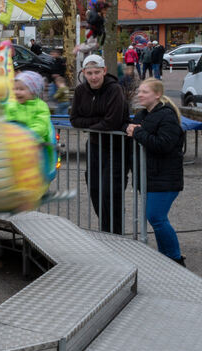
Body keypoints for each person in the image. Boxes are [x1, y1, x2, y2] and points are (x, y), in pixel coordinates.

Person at [126, 78, 186, 265]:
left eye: (145, 92)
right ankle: (166, 256)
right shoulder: (142, 115)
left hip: (165, 176)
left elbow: (163, 144)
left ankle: (175, 257)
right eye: (139, 91)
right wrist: (129, 128)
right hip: (149, 176)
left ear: (157, 95)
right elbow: (132, 129)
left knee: (156, 217)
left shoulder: (167, 116)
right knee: (156, 218)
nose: (140, 95)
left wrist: (137, 133)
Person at [70, 54, 130, 233]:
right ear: (84, 73)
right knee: (95, 189)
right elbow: (74, 119)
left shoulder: (114, 90)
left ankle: (115, 234)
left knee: (110, 192)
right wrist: (98, 122)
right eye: (89, 73)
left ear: (104, 71)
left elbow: (112, 122)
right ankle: (106, 231)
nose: (93, 77)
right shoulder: (81, 91)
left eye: (97, 72)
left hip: (116, 147)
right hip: (95, 145)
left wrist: (90, 123)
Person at [5, 70, 53, 149]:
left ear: (33, 91)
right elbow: (7, 122)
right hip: (13, 145)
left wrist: (26, 135)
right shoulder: (11, 106)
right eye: (15, 89)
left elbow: (41, 125)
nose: (17, 92)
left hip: (34, 145)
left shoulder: (40, 106)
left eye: (21, 89)